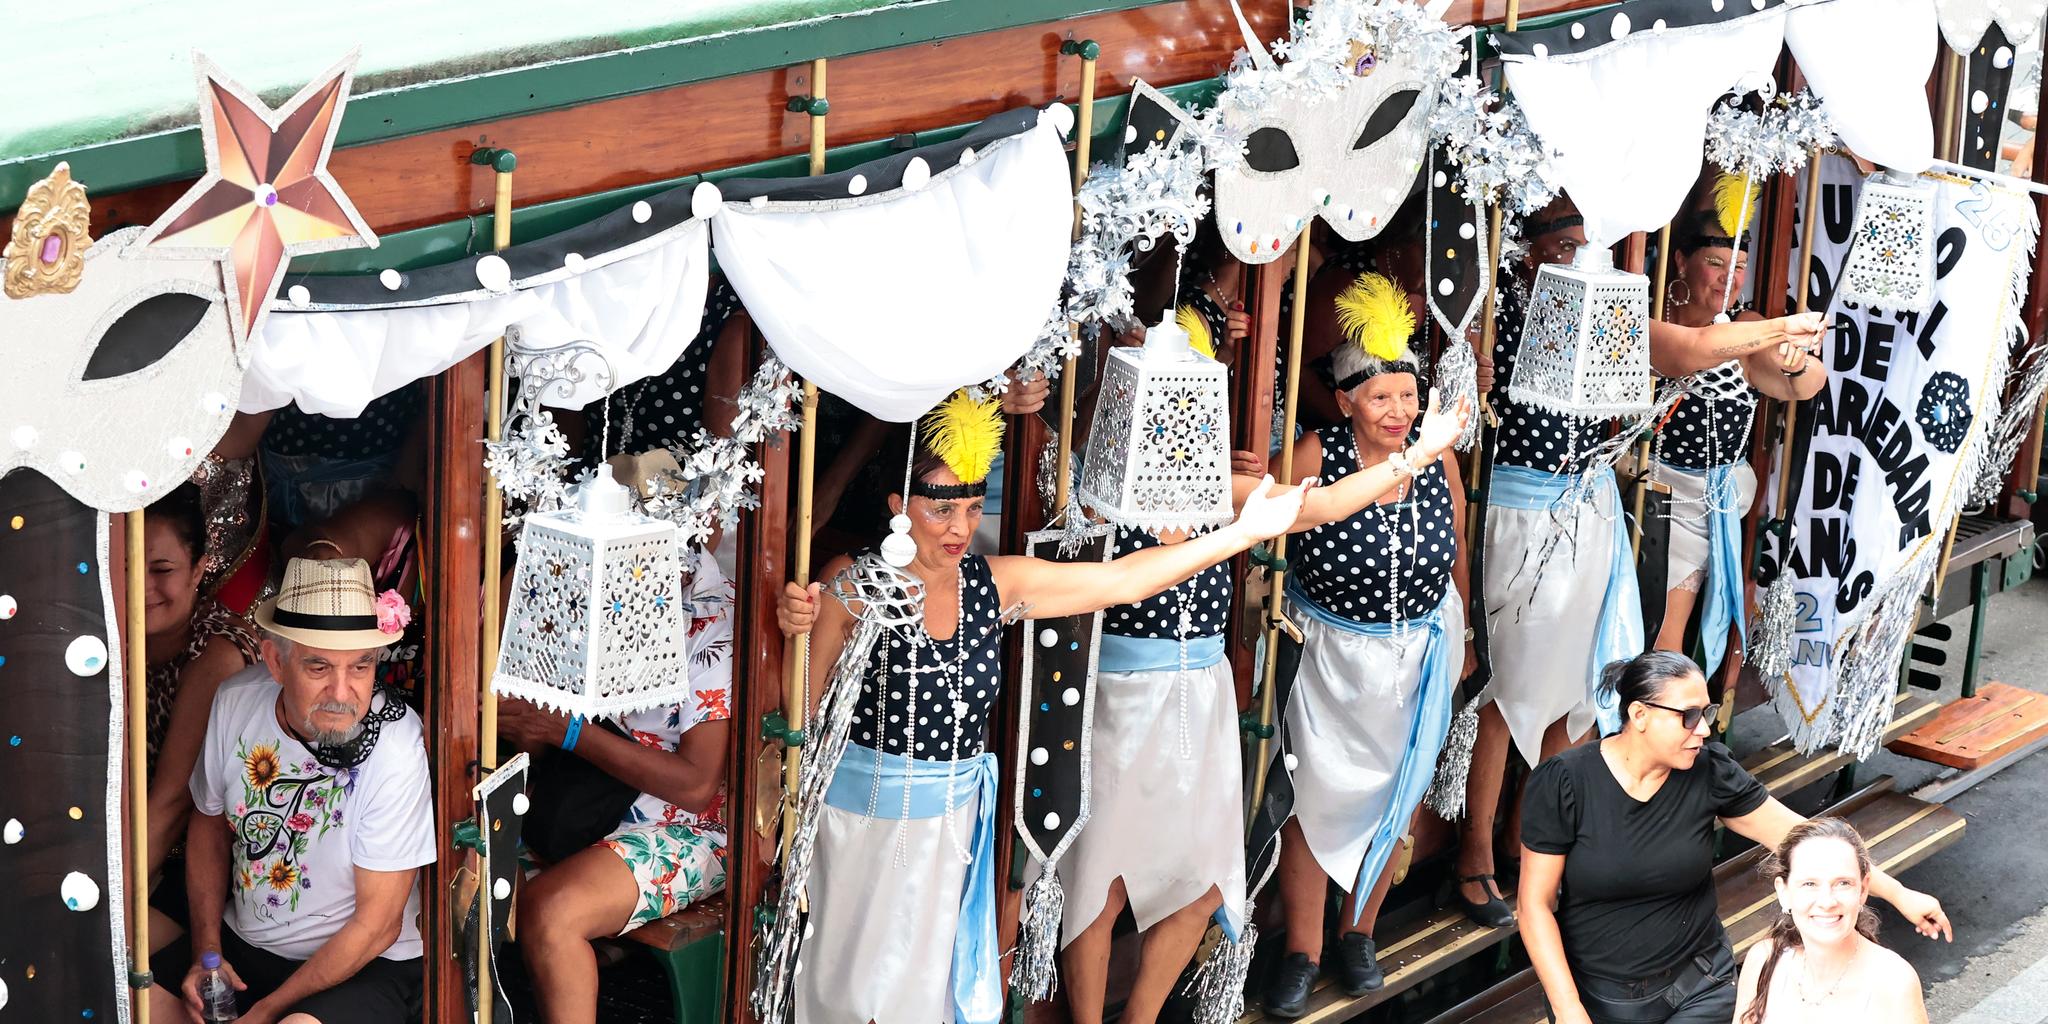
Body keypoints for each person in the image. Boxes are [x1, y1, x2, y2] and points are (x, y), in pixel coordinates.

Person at [774, 391, 1310, 1024]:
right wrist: (795, 632)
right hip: (861, 829)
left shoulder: (994, 583)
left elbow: (1122, 581)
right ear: (899, 506)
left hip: (955, 833)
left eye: (972, 508)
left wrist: (1239, 536)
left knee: (935, 999)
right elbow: (797, 716)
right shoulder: (850, 583)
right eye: (941, 509)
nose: (960, 528)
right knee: (856, 996)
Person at [1456, 195, 1826, 923]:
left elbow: (1774, 376)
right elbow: (1684, 351)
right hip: (1521, 505)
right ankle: (1472, 855)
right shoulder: (1502, 318)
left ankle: (1529, 843)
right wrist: (1773, 329)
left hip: (1592, 501)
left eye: (1582, 242)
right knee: (1509, 688)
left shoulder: (1612, 305)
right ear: (1528, 251)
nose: (1573, 256)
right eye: (1559, 243)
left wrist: (1773, 344)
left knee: (1579, 685)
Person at [1257, 270, 1477, 1013]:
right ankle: (1302, 949)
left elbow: (1458, 553)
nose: (1398, 411)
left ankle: (1360, 934)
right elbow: (1266, 540)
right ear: (1347, 399)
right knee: (1313, 803)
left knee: (1397, 797)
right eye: (1380, 397)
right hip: (1330, 661)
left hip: (1419, 654)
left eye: (1408, 396)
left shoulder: (1437, 453)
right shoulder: (1318, 455)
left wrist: (1465, 632)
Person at [1517, 651, 1949, 1024]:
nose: (1703, 729)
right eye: (1687, 717)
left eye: (1705, 713)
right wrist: (1570, 1009)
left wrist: (1899, 894)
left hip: (1698, 985)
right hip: (1596, 996)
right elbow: (1533, 904)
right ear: (1639, 715)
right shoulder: (1566, 782)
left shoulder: (1707, 770)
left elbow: (1800, 838)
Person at [159, 556, 435, 1024]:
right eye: (319, 667)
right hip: (248, 944)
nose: (342, 693)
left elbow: (377, 926)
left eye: (361, 667)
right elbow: (208, 820)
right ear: (275, 662)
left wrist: (264, 1014)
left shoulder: (396, 744)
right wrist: (207, 955)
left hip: (365, 965)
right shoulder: (236, 700)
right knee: (136, 1003)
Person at [500, 551, 736, 1024]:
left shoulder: (714, 617)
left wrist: (568, 732)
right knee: (467, 871)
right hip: (586, 798)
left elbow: (695, 785)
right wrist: (528, 726)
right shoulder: (581, 576)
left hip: (692, 823)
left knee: (552, 912)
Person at [1648, 178, 1824, 673]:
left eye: (1740, 267)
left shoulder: (1746, 323)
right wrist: (1778, 330)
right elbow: (1694, 351)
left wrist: (1792, 361)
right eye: (1716, 263)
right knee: (1661, 630)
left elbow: (1806, 383)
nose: (1728, 277)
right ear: (1681, 260)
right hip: (1660, 497)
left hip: (1718, 506)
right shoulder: (1652, 319)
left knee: (1678, 630)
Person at [143, 483, 265, 954]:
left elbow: (173, 802)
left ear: (198, 570)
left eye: (163, 569)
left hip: (204, 863)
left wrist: (101, 895)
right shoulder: (105, 636)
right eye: (127, 568)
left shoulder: (217, 651)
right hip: (132, 840)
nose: (143, 586)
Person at [1733, 818, 1929, 1024]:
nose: (1827, 902)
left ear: (1863, 890)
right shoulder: (1763, 961)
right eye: (1810, 884)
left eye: (1843, 883)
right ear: (1784, 891)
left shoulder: (1894, 981)